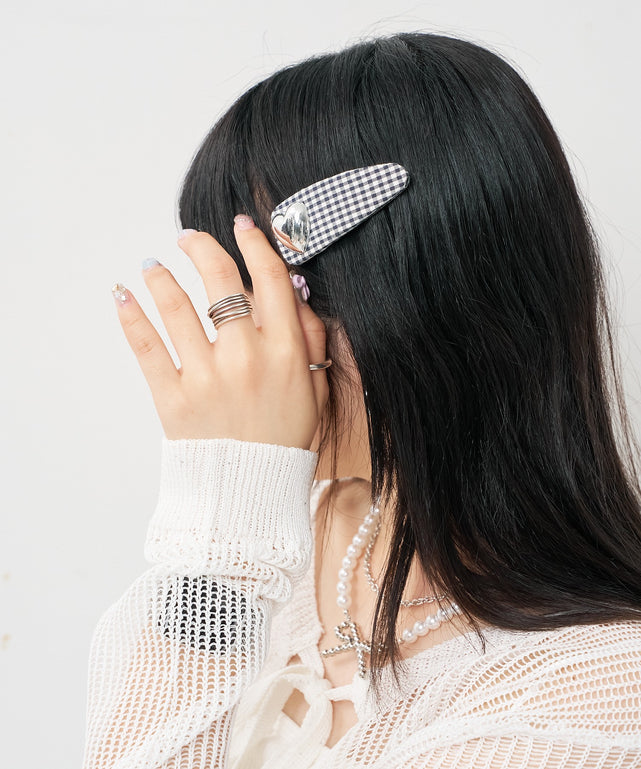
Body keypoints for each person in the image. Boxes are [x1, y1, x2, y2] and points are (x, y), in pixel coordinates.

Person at [82, 32, 641, 768]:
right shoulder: (294, 539)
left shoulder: (598, 691)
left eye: (254, 298)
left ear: (416, 302)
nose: (235, 354)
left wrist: (226, 513)